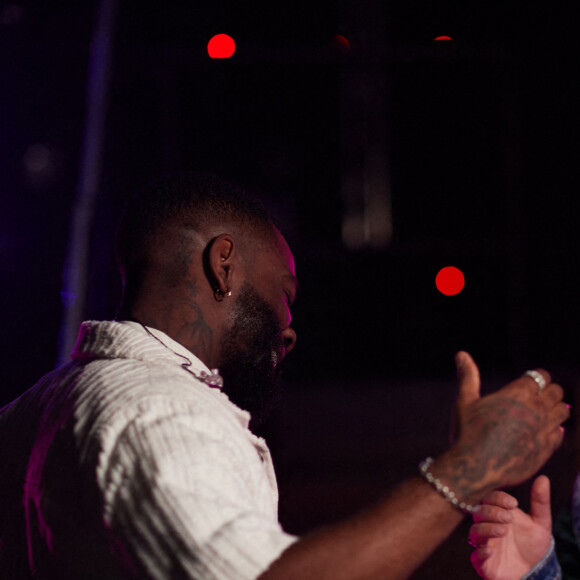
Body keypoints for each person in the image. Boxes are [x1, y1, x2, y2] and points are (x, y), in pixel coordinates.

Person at [0, 171, 570, 579]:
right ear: (224, 265)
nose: (289, 330)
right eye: (285, 296)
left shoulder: (29, 410)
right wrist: (464, 472)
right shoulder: (158, 410)